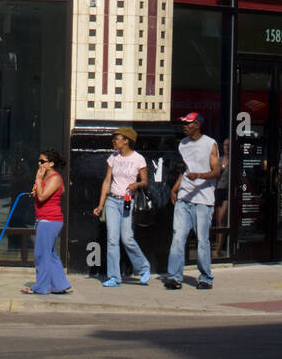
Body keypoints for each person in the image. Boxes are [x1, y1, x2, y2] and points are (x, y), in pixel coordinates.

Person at [164, 112, 221, 290]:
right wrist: (175, 187)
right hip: (184, 197)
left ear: (197, 124)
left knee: (202, 240)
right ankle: (174, 277)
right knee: (178, 237)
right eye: (184, 123)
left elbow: (216, 171)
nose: (185, 126)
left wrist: (199, 175)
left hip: (203, 200)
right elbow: (185, 168)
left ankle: (206, 278)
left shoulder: (210, 143)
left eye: (188, 124)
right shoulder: (183, 144)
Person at [93, 127, 151, 287]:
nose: (113, 141)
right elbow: (107, 181)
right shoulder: (113, 157)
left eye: (116, 138)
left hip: (128, 201)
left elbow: (145, 182)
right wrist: (100, 204)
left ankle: (144, 267)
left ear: (126, 140)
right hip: (112, 201)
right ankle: (114, 277)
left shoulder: (138, 159)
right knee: (112, 240)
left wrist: (137, 184)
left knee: (127, 238)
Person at [21, 148, 72, 295]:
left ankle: (41, 287)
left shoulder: (55, 178)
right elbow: (41, 195)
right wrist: (37, 186)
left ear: (51, 164)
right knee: (50, 254)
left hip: (49, 220)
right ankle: (60, 284)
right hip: (44, 219)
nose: (39, 163)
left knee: (41, 254)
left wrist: (38, 180)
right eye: (39, 161)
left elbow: (43, 197)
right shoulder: (47, 178)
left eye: (42, 161)